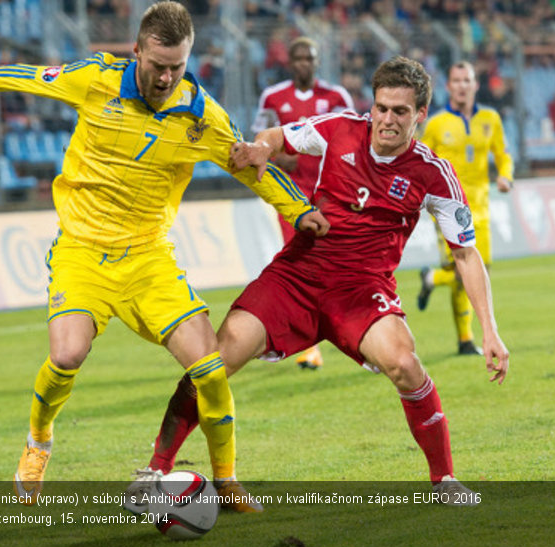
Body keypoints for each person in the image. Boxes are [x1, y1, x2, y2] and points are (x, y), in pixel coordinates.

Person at [0, 1, 328, 511]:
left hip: (149, 259)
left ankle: (227, 480)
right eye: (158, 65)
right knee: (66, 356)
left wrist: (300, 208)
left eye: (178, 66)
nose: (168, 77)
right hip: (82, 251)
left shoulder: (201, 115)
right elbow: (22, 78)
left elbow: (248, 164)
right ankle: (39, 441)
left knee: (210, 369)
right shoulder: (94, 79)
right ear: (136, 52)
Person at [133, 56, 509, 505]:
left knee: (406, 366)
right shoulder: (339, 129)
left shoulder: (434, 175)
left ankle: (444, 481)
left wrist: (490, 330)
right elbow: (278, 136)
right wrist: (260, 149)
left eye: (400, 112)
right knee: (212, 362)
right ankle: (155, 469)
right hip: (299, 275)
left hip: (361, 291)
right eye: (381, 108)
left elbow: (465, 254)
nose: (386, 120)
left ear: (420, 115)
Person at [251, 36, 354, 371]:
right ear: (289, 63)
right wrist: (279, 158)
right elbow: (259, 142)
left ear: (316, 60)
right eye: (297, 59)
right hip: (290, 197)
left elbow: (351, 141)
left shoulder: (337, 97)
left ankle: (346, 332)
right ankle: (309, 346)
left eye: (308, 58)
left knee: (338, 267)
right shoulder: (273, 97)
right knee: (302, 264)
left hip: (330, 194)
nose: (303, 64)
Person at [417, 61, 514, 355]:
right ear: (448, 87)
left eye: (466, 80)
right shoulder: (435, 124)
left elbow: (504, 154)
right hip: (447, 207)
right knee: (462, 271)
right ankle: (464, 334)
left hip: (481, 206)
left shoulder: (491, 118)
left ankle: (462, 337)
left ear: (475, 85)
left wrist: (505, 176)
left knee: (479, 271)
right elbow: (420, 160)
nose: (461, 85)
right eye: (456, 80)